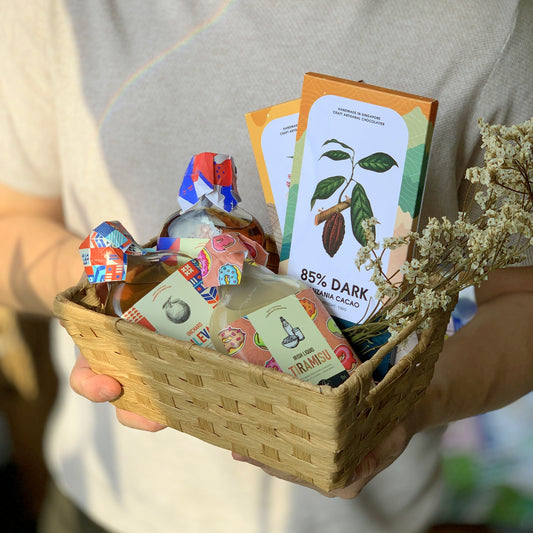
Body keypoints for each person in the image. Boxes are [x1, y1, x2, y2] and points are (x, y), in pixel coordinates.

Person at [1, 1, 532, 532]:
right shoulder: (62, 10)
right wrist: (124, 297)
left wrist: (407, 406)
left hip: (359, 518)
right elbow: (13, 220)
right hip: (110, 499)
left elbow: (522, 297)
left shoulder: (494, 24)